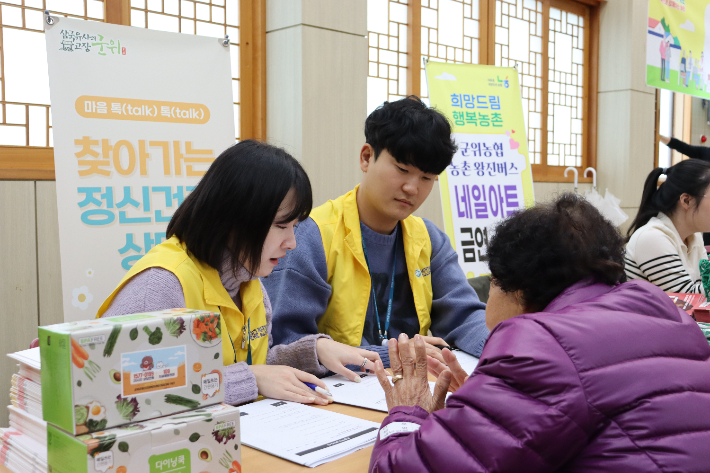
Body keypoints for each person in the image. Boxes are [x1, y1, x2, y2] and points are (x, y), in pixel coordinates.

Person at [368, 193, 710, 473]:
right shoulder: (662, 310)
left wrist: (407, 413)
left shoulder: (541, 343)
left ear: (515, 287)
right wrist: (487, 403)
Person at [96, 140, 380, 407]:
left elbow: (258, 361)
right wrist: (251, 379)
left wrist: (314, 350)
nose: (291, 243)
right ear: (234, 219)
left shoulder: (247, 278)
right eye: (281, 226)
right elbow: (123, 390)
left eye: (294, 226)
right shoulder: (162, 285)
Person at [263, 96, 489, 368]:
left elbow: (464, 316)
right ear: (367, 157)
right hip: (335, 394)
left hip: (412, 384)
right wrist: (391, 357)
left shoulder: (429, 239)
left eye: (427, 178)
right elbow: (286, 342)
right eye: (402, 169)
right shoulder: (311, 236)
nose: (412, 188)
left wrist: (505, 349)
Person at [625, 159, 710, 293]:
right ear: (686, 201)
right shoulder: (652, 237)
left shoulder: (694, 236)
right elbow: (687, 298)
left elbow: (705, 282)